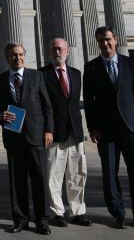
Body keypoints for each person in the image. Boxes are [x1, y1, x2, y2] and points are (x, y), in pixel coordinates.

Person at [83, 27, 134, 230]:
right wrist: (93, 126)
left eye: (107, 40)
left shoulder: (130, 63)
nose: (105, 44)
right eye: (100, 41)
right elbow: (89, 101)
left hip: (131, 126)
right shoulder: (91, 68)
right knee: (110, 174)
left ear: (116, 39)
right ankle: (118, 214)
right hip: (106, 130)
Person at [0, 42, 54, 235]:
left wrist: (49, 130)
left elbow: (47, 106)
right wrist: (1, 115)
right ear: (7, 58)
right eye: (13, 55)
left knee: (39, 179)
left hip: (35, 136)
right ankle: (20, 219)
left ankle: (42, 220)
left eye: (20, 55)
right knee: (17, 181)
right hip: (13, 136)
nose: (17, 58)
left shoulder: (37, 76)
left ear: (24, 56)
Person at [38, 39, 92, 228]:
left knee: (78, 173)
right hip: (54, 132)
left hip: (75, 130)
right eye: (54, 48)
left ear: (67, 51)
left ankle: (78, 211)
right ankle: (57, 212)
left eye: (60, 48)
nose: (57, 51)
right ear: (50, 52)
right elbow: (42, 105)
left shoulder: (76, 74)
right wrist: (47, 129)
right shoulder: (42, 74)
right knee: (54, 173)